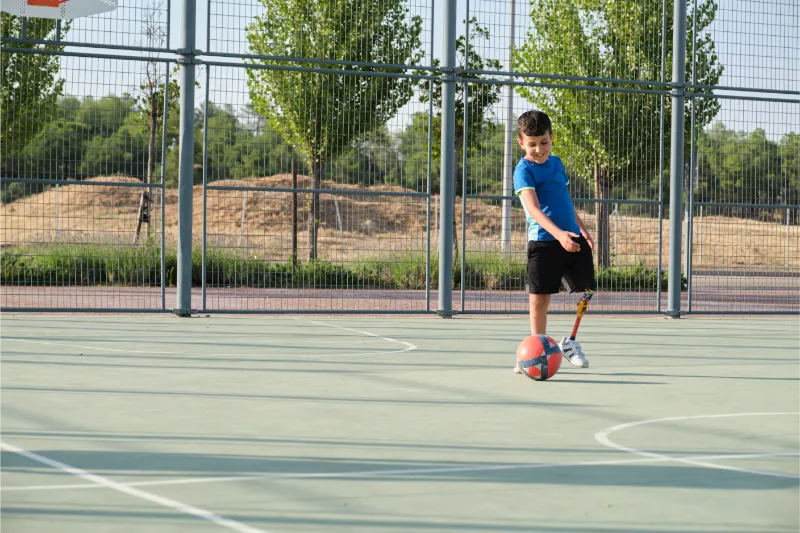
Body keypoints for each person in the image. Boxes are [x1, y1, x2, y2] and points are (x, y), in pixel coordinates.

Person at [511, 110, 597, 372]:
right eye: (532, 143)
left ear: (552, 137)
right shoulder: (523, 170)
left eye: (544, 142)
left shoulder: (557, 163)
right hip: (545, 241)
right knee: (540, 299)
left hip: (570, 237)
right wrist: (559, 234)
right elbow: (534, 209)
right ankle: (534, 352)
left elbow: (565, 199)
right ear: (521, 143)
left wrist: (581, 228)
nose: (538, 149)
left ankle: (569, 342)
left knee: (588, 289)